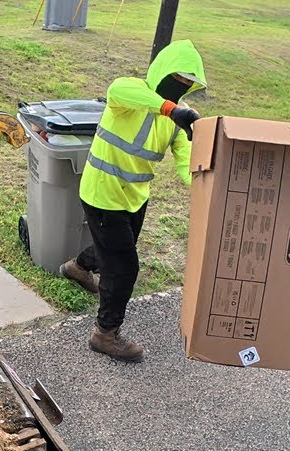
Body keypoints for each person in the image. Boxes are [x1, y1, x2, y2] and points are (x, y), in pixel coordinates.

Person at [59, 40, 206, 363]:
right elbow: (118, 90)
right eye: (176, 79)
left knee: (116, 248)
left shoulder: (177, 121)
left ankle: (78, 267)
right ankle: (105, 334)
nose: (180, 87)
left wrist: (206, 181)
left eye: (187, 83)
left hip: (135, 197)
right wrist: (171, 109)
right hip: (102, 192)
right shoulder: (131, 92)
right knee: (123, 266)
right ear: (161, 71)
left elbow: (186, 164)